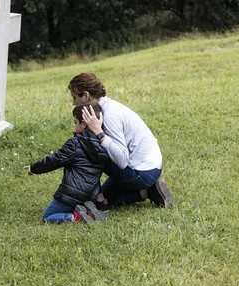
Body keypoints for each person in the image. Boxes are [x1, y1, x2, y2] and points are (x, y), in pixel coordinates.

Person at [68, 72, 172, 208]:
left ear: (86, 95)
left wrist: (98, 132)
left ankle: (103, 197)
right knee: (100, 203)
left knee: (87, 148)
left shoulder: (109, 115)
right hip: (148, 167)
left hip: (143, 172)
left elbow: (122, 161)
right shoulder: (105, 107)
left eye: (75, 97)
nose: (73, 102)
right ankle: (147, 193)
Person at [24, 102, 110, 223]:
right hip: (90, 194)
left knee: (47, 217)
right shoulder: (103, 144)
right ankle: (88, 209)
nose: (74, 125)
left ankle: (76, 217)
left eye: (76, 122)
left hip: (71, 194)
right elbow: (85, 148)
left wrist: (34, 168)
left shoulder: (74, 144)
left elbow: (54, 160)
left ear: (84, 124)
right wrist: (78, 133)